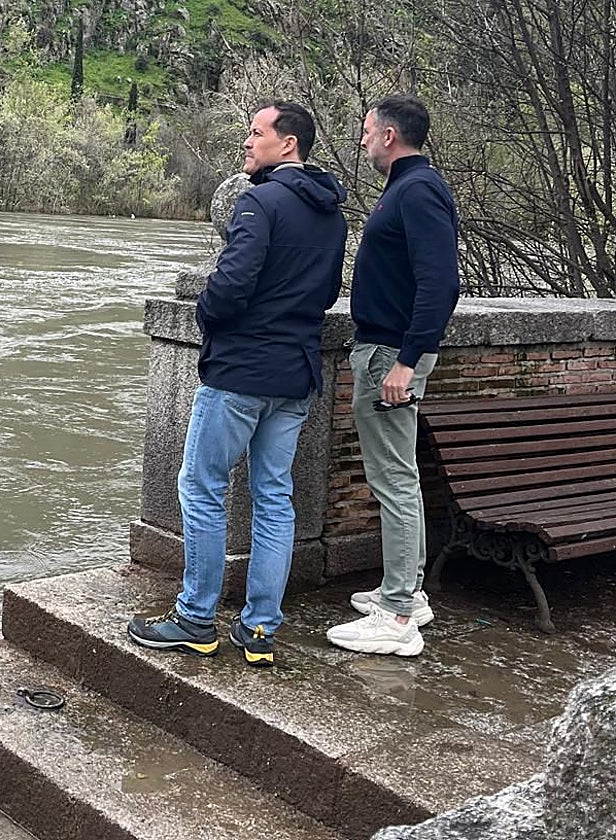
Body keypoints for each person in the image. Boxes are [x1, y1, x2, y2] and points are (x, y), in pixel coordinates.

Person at [128, 101, 348, 667]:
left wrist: (210, 318)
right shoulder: (331, 214)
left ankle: (196, 619)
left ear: (289, 144)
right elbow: (324, 295)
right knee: (274, 497)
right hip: (296, 373)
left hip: (242, 372)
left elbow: (229, 286)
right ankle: (259, 632)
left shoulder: (260, 200)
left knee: (201, 486)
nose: (247, 143)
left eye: (256, 133)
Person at [326, 94, 460, 657]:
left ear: (388, 136)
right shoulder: (408, 186)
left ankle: (400, 614)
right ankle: (406, 591)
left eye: (365, 130)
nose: (360, 140)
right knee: (396, 477)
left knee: (395, 481)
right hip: (386, 349)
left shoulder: (419, 189)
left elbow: (440, 284)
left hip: (390, 354)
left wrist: (406, 360)